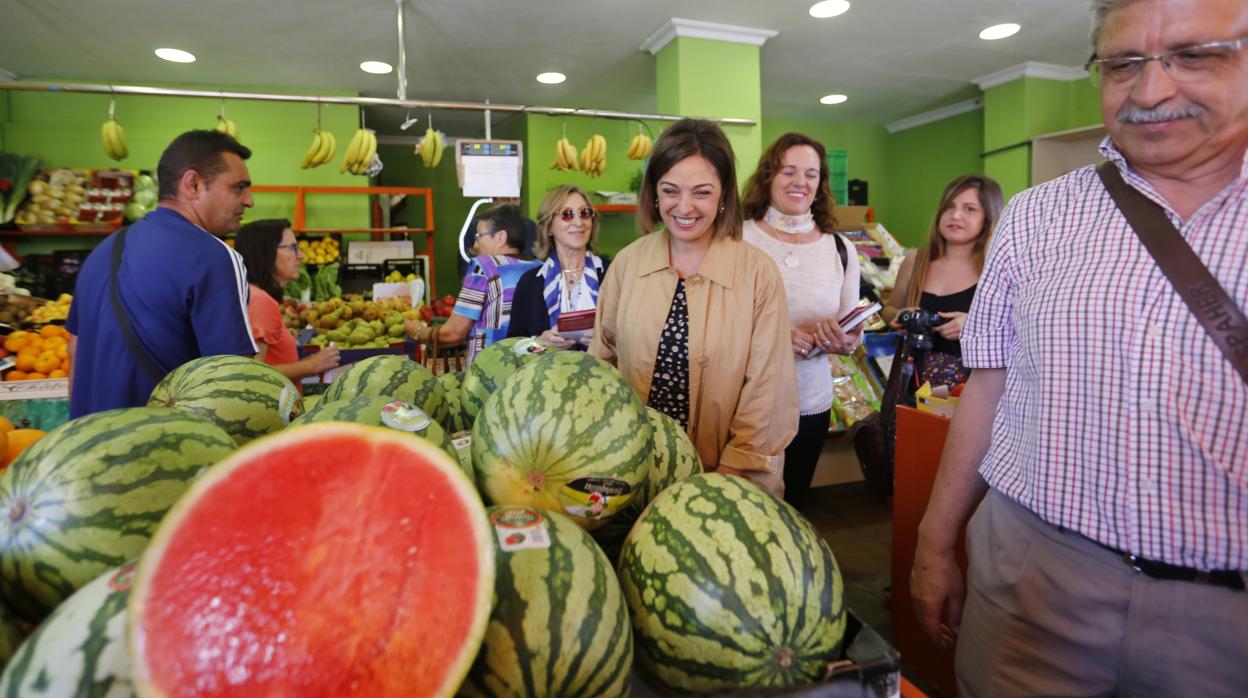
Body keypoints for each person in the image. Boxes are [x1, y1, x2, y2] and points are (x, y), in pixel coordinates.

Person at [911, 0, 1248, 695]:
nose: (1151, 90)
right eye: (1124, 64)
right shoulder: (1038, 215)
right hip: (1030, 577)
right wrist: (933, 543)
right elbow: (989, 387)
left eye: (1194, 55)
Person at [590, 119, 799, 497]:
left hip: (730, 476)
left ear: (724, 195)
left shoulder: (757, 273)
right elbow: (603, 360)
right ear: (653, 192)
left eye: (702, 192)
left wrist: (726, 475)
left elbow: (769, 391)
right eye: (670, 190)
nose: (684, 207)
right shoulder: (627, 263)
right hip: (633, 470)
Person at [66, 130, 258, 418]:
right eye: (238, 188)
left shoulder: (103, 251)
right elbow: (234, 383)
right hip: (163, 448)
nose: (249, 201)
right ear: (192, 184)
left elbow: (73, 352)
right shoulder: (213, 256)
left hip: (88, 445)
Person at [740, 132, 863, 510]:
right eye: (788, 171)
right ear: (768, 177)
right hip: (745, 400)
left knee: (792, 508)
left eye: (811, 174)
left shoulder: (841, 249)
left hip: (811, 401)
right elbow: (716, 321)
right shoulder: (737, 238)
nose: (800, 182)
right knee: (744, 509)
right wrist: (776, 337)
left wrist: (846, 342)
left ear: (820, 183)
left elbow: (853, 330)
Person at [882, 174, 1003, 388]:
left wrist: (972, 323)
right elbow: (890, 309)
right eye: (949, 206)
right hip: (910, 383)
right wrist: (899, 316)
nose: (955, 215)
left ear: (988, 217)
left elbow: (1016, 329)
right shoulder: (915, 261)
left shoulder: (996, 270)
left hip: (970, 392)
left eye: (969, 209)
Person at [406, 203, 539, 365]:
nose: (475, 245)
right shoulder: (539, 267)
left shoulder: (484, 266)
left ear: (501, 237)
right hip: (530, 369)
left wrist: (417, 331)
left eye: (479, 236)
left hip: (490, 372)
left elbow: (454, 333)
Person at [234, 219, 340, 386]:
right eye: (292, 248)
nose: (301, 255)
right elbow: (251, 374)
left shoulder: (252, 294)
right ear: (266, 253)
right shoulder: (261, 301)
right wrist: (311, 365)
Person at [507, 184, 609, 347]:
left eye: (585, 213)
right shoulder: (530, 283)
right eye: (567, 214)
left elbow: (633, 336)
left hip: (605, 371)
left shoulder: (612, 272)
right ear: (548, 226)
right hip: (546, 372)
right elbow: (514, 350)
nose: (579, 222)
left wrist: (606, 342)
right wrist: (540, 344)